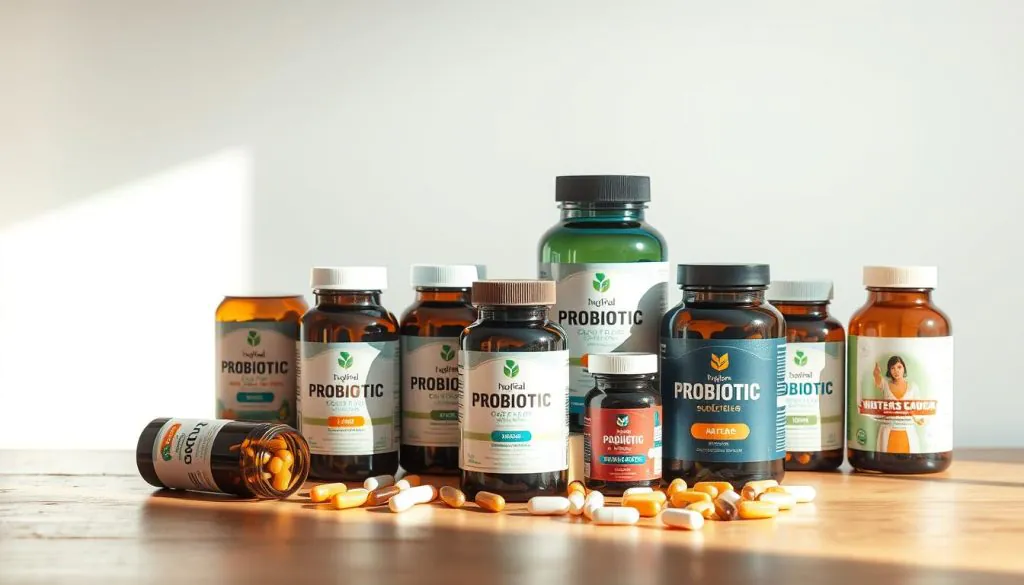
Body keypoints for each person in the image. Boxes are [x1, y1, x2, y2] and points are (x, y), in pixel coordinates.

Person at [871, 356, 923, 453]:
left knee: (911, 452)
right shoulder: (885, 385)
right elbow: (878, 380)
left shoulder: (913, 387)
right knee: (885, 455)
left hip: (907, 431)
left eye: (899, 367)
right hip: (888, 431)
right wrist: (876, 374)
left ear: (904, 368)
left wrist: (920, 419)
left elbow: (918, 410)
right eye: (892, 368)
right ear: (889, 371)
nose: (896, 371)